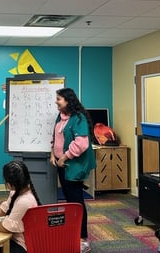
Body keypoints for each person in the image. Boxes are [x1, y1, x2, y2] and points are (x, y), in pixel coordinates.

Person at [49, 87, 96, 253]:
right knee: (70, 201)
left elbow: (81, 144)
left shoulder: (78, 118)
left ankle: (83, 239)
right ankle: (72, 234)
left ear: (68, 101)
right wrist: (53, 154)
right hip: (62, 165)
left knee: (76, 203)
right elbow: (56, 138)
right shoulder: (60, 117)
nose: (56, 101)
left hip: (73, 166)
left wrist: (64, 157)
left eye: (59, 99)